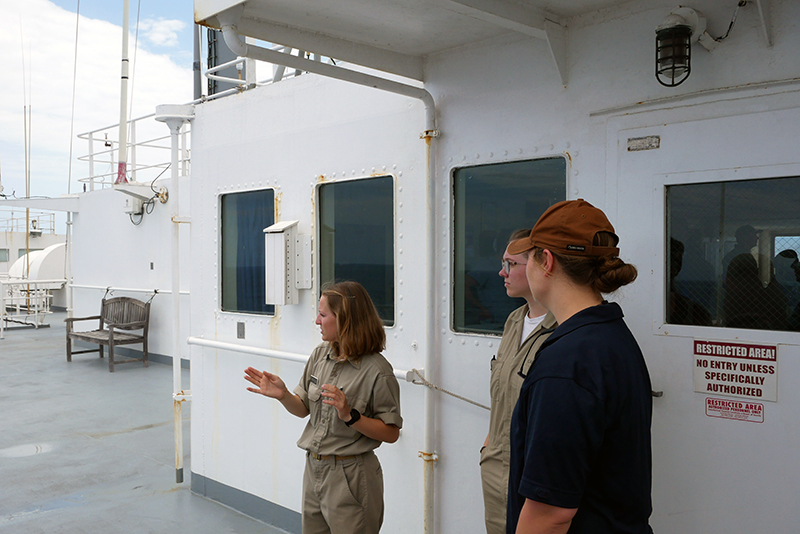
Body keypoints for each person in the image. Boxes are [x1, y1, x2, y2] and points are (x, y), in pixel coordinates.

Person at [505, 199, 653, 534]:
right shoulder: (612, 337)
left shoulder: (568, 364)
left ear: (547, 262)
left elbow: (550, 514)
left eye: (529, 257)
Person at [244, 281, 402, 534]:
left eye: (323, 314)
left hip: (351, 476)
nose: (317, 321)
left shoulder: (378, 372)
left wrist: (350, 416)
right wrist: (283, 395)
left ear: (345, 319)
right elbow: (304, 407)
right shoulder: (320, 354)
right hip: (315, 469)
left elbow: (391, 433)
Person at [481, 229, 557, 534]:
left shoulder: (563, 328)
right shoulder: (514, 322)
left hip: (535, 477)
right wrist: (489, 447)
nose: (502, 272)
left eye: (511, 264)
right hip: (496, 468)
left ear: (541, 265)